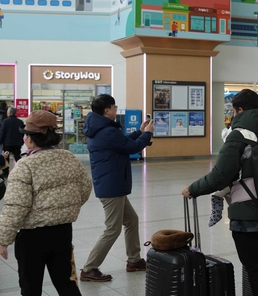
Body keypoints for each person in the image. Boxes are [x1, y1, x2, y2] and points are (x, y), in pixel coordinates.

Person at [182, 89, 258, 296]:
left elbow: (221, 175)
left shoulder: (238, 136)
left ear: (239, 109)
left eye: (233, 110)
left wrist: (193, 189)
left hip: (249, 216)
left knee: (257, 271)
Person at [0, 111, 92, 295]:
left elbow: (16, 207)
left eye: (25, 134)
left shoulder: (25, 166)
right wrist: (64, 209)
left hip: (31, 238)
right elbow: (85, 188)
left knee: (31, 287)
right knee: (66, 283)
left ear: (30, 139)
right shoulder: (69, 158)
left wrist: (3, 239)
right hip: (63, 232)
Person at [80, 94, 154, 282]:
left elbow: (123, 143)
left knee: (131, 220)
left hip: (113, 183)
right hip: (111, 185)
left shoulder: (102, 129)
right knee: (112, 229)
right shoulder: (107, 131)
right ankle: (89, 268)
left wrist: (140, 132)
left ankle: (134, 260)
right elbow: (131, 148)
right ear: (107, 110)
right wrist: (148, 134)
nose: (115, 110)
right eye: (114, 107)